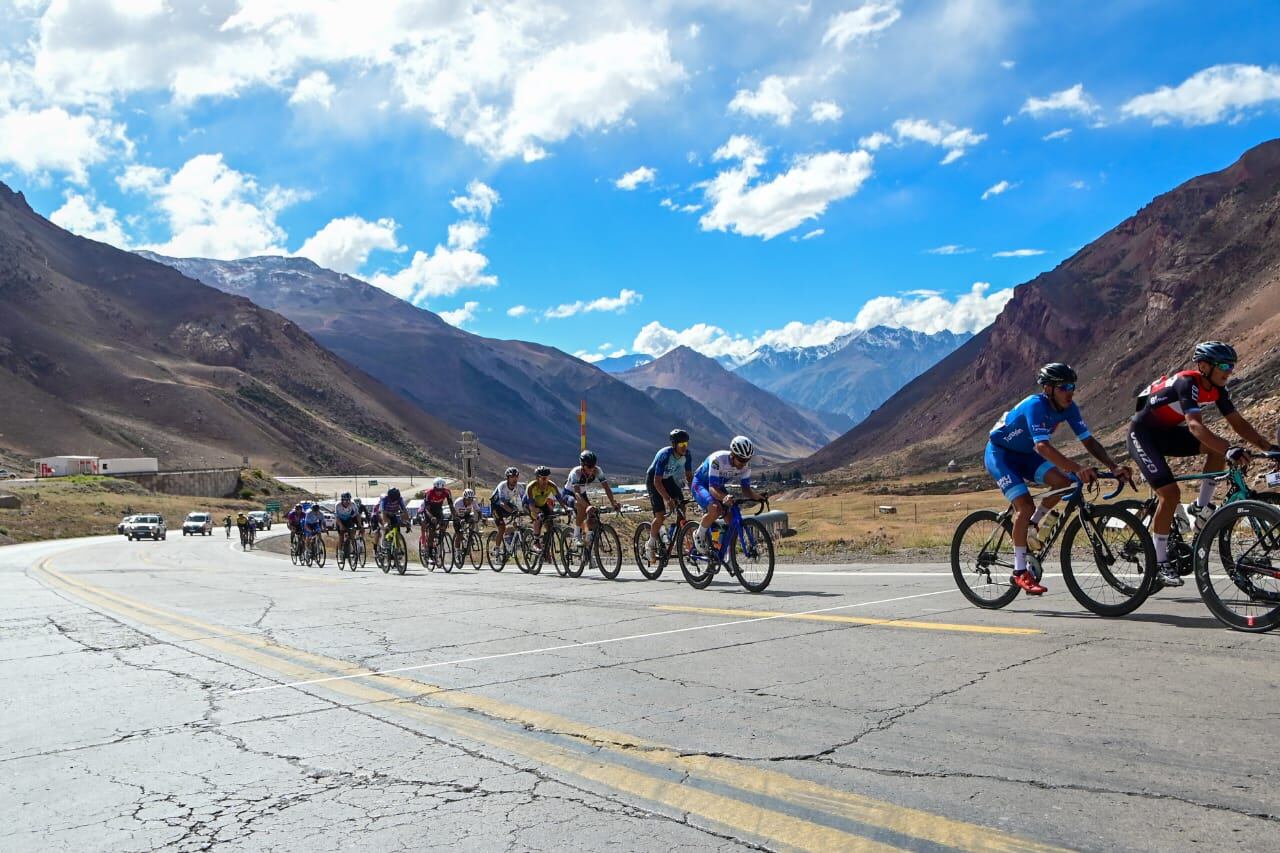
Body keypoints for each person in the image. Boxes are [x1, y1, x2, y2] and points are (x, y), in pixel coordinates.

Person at [1127, 341, 1278, 587]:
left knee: (1216, 447)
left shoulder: (1218, 390)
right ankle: (1159, 562)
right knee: (1170, 494)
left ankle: (1201, 507)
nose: (1229, 371)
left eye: (1232, 366)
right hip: (1142, 435)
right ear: (1204, 366)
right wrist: (1229, 450)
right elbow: (1195, 426)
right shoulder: (1187, 383)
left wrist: (1269, 449)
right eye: (1224, 366)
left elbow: (1238, 423)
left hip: (1167, 433)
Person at [986, 363, 1131, 595]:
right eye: (1063, 387)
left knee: (1063, 483)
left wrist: (1113, 466)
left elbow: (1089, 442)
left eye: (1072, 386)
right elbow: (1042, 446)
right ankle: (1020, 572)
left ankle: (1033, 525)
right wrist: (1077, 467)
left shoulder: (1069, 408)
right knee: (1024, 505)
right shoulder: (1035, 405)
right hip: (1000, 455)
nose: (1070, 391)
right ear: (1048, 389)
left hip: (1025, 455)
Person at [691, 436, 768, 555]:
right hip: (701, 484)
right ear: (733, 455)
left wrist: (757, 496)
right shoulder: (718, 460)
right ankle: (699, 534)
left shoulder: (745, 465)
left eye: (747, 459)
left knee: (732, 520)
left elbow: (746, 490)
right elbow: (712, 488)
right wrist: (724, 497)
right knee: (715, 509)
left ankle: (729, 557)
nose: (744, 463)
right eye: (741, 460)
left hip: (717, 485)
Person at [645, 429, 694, 564]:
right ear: (674, 445)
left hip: (668, 479)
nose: (684, 447)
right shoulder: (665, 455)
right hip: (654, 479)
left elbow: (689, 477)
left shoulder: (687, 455)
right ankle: (650, 545)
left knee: (682, 507)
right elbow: (656, 481)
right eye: (681, 444)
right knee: (660, 515)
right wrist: (667, 499)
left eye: (686, 443)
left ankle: (672, 535)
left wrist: (695, 493)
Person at [563, 450, 620, 545]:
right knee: (581, 507)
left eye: (593, 466)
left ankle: (587, 539)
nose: (592, 469)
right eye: (589, 466)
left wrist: (613, 502)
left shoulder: (597, 471)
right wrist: (587, 506)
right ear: (582, 465)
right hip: (569, 494)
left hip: (582, 493)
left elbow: (606, 488)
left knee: (592, 515)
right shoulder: (576, 473)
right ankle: (576, 536)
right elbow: (577, 494)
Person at [490, 467, 526, 557]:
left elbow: (524, 501)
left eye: (516, 476)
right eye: (512, 477)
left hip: (507, 504)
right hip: (496, 506)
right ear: (507, 478)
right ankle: (497, 548)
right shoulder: (502, 485)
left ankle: (509, 538)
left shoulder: (520, 487)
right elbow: (502, 502)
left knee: (517, 520)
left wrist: (526, 511)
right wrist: (512, 511)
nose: (515, 479)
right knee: (501, 528)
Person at [525, 466, 563, 547]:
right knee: (538, 518)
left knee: (549, 525)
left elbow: (559, 499)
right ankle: (536, 541)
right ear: (537, 478)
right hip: (529, 504)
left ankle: (545, 549)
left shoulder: (551, 485)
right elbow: (531, 505)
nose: (546, 480)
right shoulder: (531, 487)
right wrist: (537, 512)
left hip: (542, 504)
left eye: (547, 478)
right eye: (543, 478)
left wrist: (566, 508)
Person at [418, 477, 453, 552]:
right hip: (428, 510)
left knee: (443, 524)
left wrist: (455, 516)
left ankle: (439, 539)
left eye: (441, 490)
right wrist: (431, 517)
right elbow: (427, 509)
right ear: (434, 488)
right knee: (431, 530)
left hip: (438, 509)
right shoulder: (429, 493)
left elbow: (451, 505)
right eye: (437, 490)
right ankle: (428, 549)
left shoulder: (447, 492)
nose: (439, 492)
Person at [334, 492, 363, 557]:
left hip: (348, 519)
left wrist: (359, 524)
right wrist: (341, 525)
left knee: (352, 534)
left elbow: (357, 515)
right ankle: (340, 552)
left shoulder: (353, 504)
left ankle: (354, 550)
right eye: (345, 500)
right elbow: (337, 517)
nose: (347, 502)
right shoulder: (338, 505)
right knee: (341, 535)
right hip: (340, 520)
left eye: (348, 500)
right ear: (342, 500)